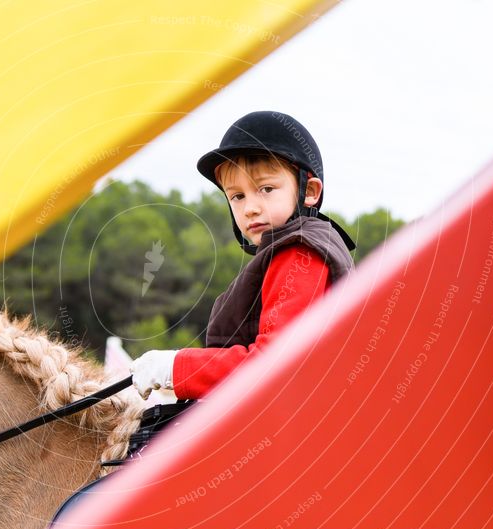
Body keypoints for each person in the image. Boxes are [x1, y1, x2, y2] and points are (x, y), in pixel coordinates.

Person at [130, 111, 356, 399]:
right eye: (237, 196)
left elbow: (275, 365)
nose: (250, 207)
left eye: (266, 189)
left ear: (309, 191)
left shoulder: (300, 252)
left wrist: (175, 367)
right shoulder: (292, 249)